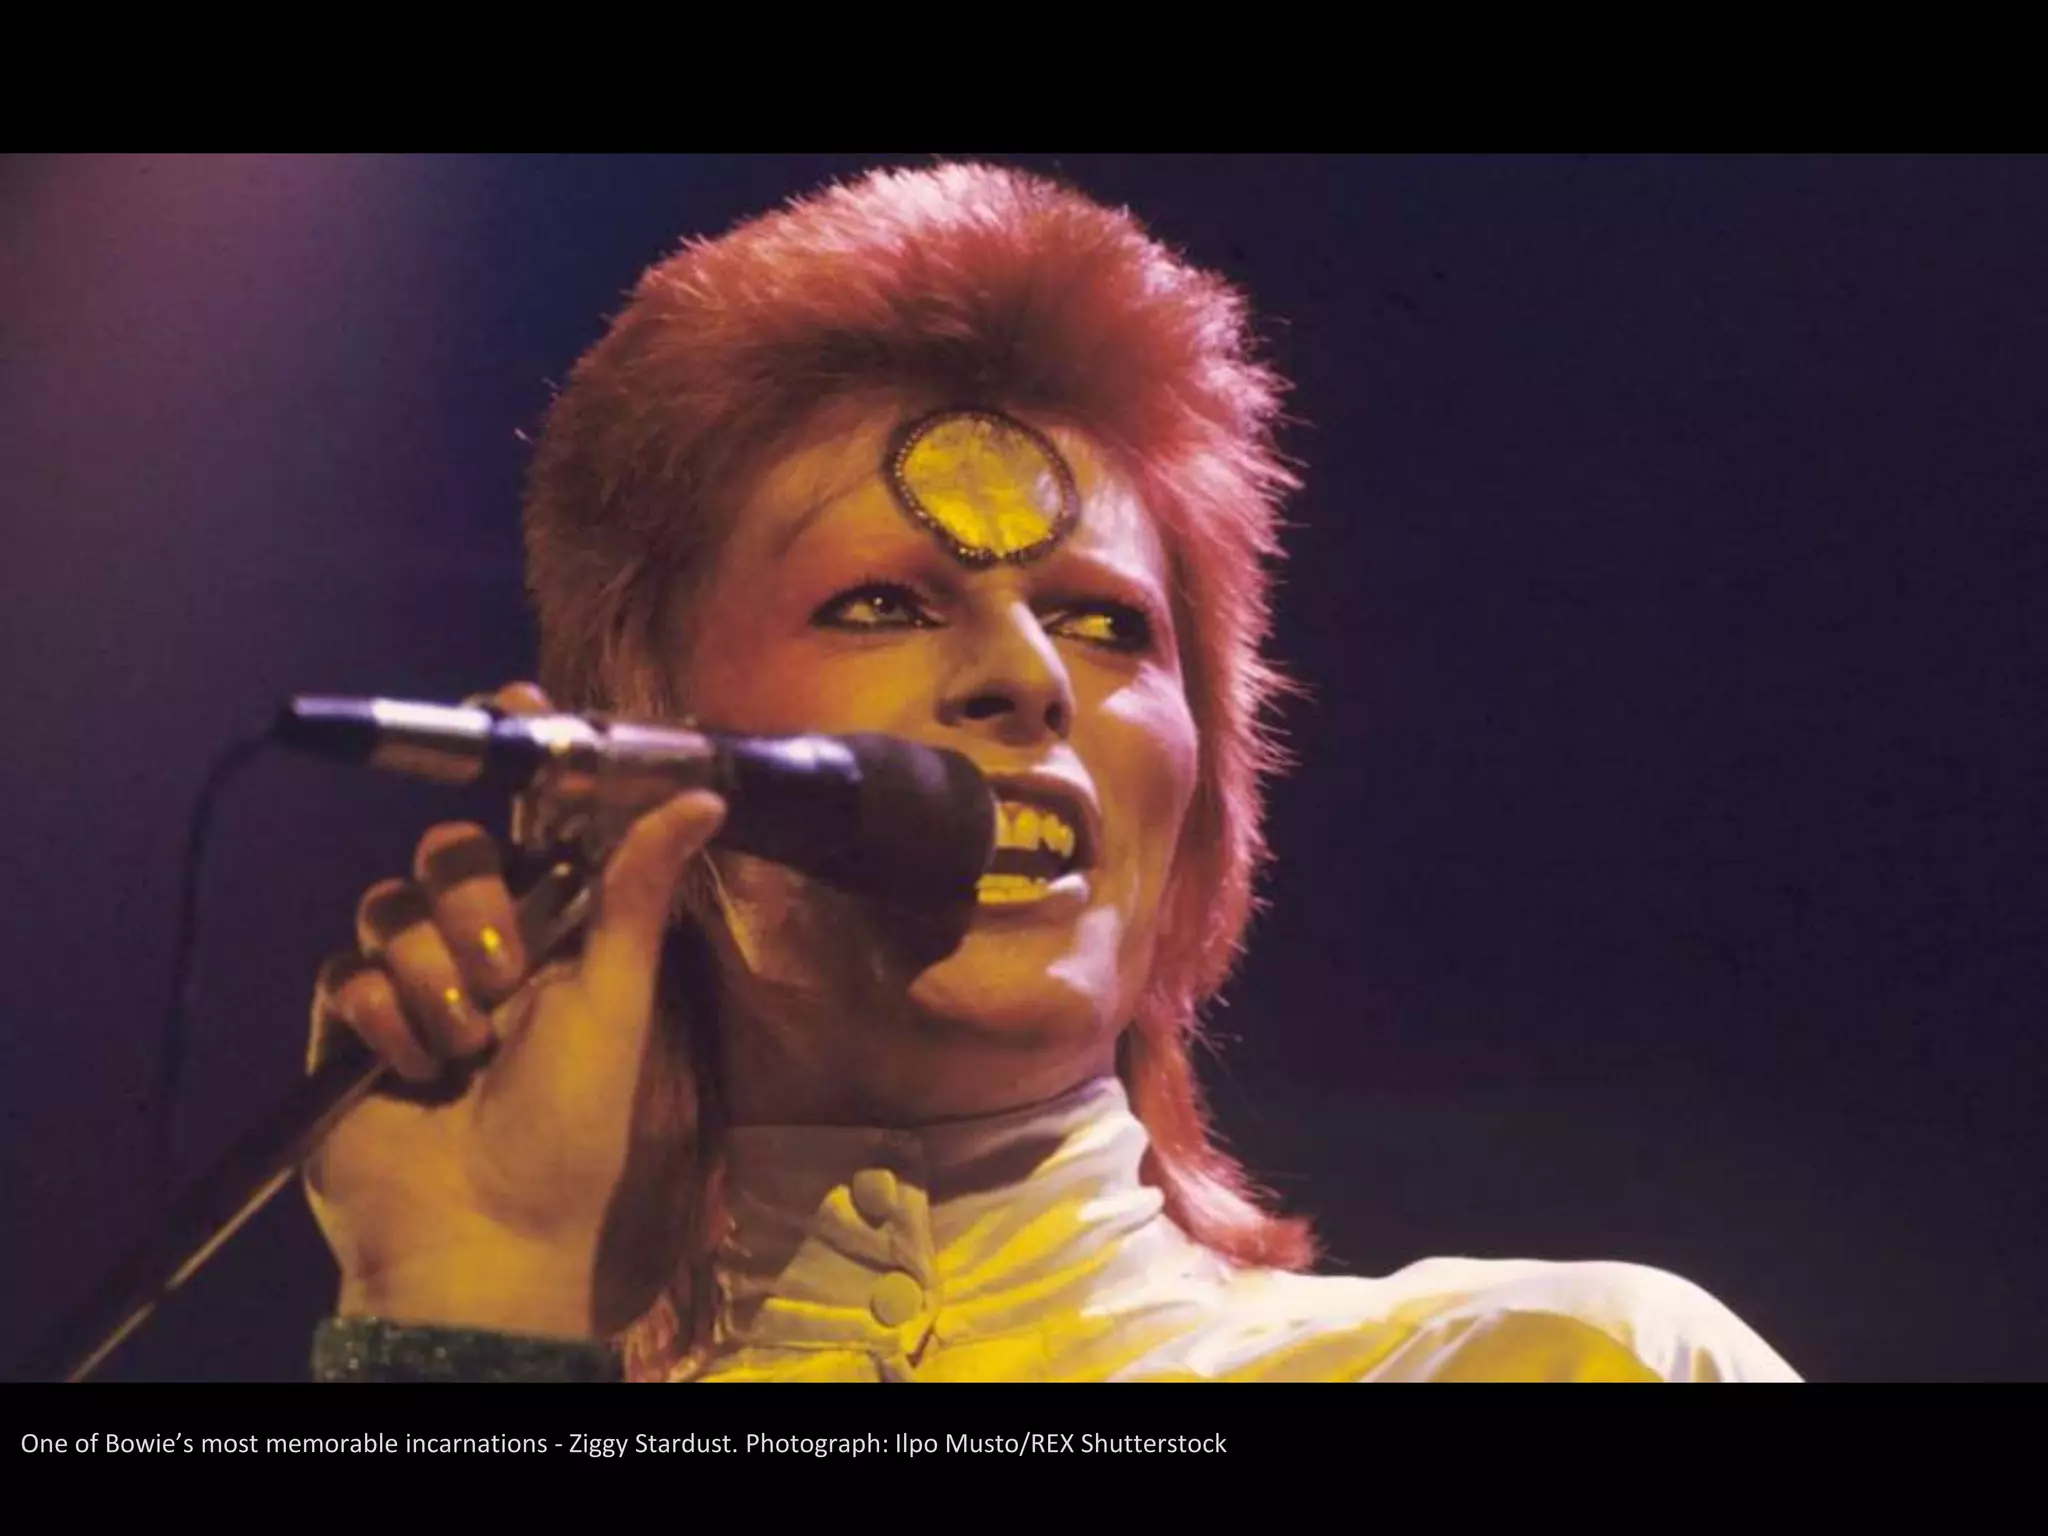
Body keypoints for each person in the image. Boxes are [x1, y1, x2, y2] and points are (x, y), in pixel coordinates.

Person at [304, 161, 1799, 1383]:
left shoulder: (1565, 1365)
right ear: (639, 751)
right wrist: (465, 1288)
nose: (1027, 676)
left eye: (1106, 623)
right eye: (880, 603)